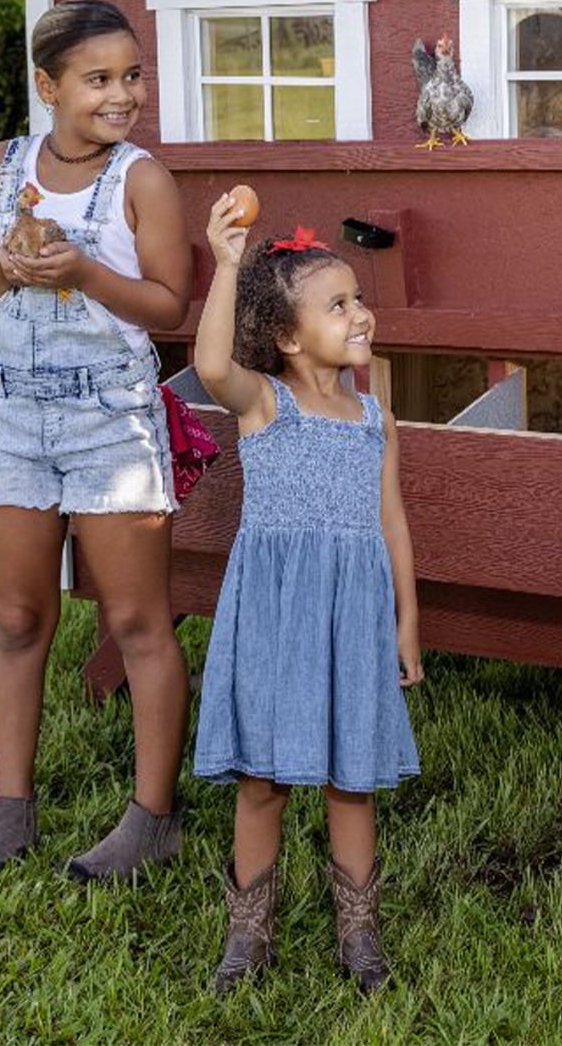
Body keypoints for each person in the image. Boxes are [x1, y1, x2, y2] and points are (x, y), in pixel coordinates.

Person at [0, 0, 192, 881]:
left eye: (132, 75)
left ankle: (152, 816)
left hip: (109, 421)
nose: (122, 94)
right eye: (99, 79)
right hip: (13, 418)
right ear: (48, 85)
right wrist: (8, 264)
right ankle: (9, 811)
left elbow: (170, 308)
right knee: (18, 618)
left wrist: (85, 271)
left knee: (135, 619)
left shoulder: (142, 180)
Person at [191, 201, 422, 995]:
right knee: (263, 777)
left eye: (358, 299)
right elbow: (212, 364)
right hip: (278, 613)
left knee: (351, 775)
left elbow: (391, 520)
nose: (360, 314)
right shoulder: (265, 404)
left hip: (354, 614)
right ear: (288, 338)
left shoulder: (373, 418)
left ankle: (358, 929)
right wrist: (225, 264)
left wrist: (407, 620)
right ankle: (247, 931)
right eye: (339, 305)